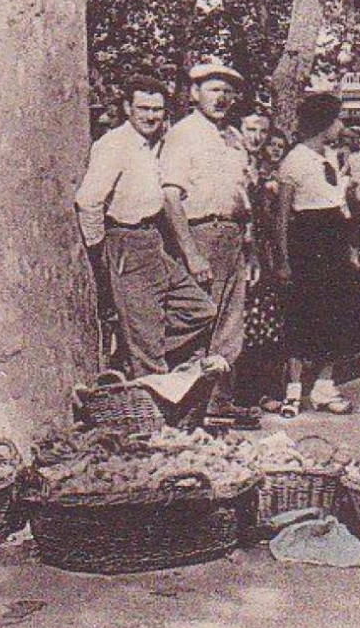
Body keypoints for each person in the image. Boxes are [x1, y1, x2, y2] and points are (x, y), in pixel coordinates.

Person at [74, 74, 215, 378]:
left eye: (157, 109)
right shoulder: (115, 145)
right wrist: (99, 251)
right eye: (143, 108)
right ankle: (152, 417)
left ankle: (131, 346)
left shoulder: (156, 144)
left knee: (201, 309)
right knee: (147, 347)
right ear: (128, 108)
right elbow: (88, 200)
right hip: (126, 241)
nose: (151, 116)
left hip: (154, 242)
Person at [274, 93, 360, 417]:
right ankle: (293, 390)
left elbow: (339, 206)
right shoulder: (295, 160)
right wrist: (284, 260)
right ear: (325, 123)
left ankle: (324, 387)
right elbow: (282, 216)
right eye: (337, 120)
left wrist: (352, 248)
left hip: (332, 243)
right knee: (302, 315)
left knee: (335, 315)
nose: (341, 125)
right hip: (308, 243)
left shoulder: (327, 158)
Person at [159, 61, 255, 423]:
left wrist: (250, 244)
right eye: (214, 90)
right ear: (196, 93)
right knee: (202, 320)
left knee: (231, 326)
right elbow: (170, 197)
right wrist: (191, 253)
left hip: (232, 235)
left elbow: (243, 195)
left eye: (228, 91)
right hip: (201, 233)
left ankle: (219, 403)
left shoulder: (232, 137)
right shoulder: (185, 133)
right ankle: (189, 406)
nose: (222, 97)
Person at [234, 127, 291, 411]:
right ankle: (249, 392)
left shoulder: (279, 178)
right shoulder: (255, 178)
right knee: (251, 328)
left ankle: (269, 389)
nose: (276, 150)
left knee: (271, 328)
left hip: (269, 258)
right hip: (253, 256)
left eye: (281, 146)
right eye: (273, 144)